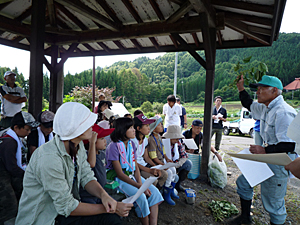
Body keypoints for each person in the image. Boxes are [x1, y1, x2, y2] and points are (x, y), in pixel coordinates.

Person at [16, 102, 132, 225]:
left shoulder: (78, 145)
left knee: (111, 220)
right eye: (88, 124)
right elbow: (67, 206)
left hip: (63, 215)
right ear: (76, 128)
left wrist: (104, 196)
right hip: (44, 218)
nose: (92, 127)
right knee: (109, 218)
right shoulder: (49, 158)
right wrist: (110, 208)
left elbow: (87, 177)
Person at [233, 75, 297, 225]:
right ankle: (245, 219)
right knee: (243, 183)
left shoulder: (284, 112)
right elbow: (249, 104)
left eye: (262, 88)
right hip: (266, 157)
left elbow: (290, 145)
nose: (258, 92)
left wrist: (264, 150)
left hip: (279, 161)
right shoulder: (266, 107)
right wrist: (241, 89)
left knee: (273, 203)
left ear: (274, 90)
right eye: (257, 89)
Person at [106, 117, 163, 225]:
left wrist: (141, 184)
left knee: (154, 192)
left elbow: (135, 166)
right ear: (122, 130)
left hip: (131, 175)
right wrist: (140, 187)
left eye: (133, 127)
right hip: (118, 179)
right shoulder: (114, 146)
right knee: (140, 197)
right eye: (130, 128)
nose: (134, 130)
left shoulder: (131, 144)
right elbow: (120, 174)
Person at [0, 111, 38, 224]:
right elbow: (12, 167)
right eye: (27, 129)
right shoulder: (9, 142)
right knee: (10, 207)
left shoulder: (11, 137)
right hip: (2, 178)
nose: (29, 132)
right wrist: (29, 175)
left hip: (6, 175)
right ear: (16, 127)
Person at [147, 116, 179, 206]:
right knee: (168, 172)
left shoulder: (159, 136)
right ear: (154, 129)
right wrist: (162, 165)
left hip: (162, 161)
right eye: (159, 125)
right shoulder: (152, 139)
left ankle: (170, 190)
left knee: (173, 170)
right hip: (157, 162)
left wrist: (167, 158)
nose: (162, 126)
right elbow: (153, 156)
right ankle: (166, 193)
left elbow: (163, 150)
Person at [80, 124, 115, 204]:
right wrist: (92, 143)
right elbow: (91, 164)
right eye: (102, 138)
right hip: (88, 195)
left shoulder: (102, 154)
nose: (105, 141)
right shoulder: (86, 155)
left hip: (100, 191)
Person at [132, 114, 168, 189]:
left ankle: (158, 192)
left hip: (144, 165)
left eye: (148, 125)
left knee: (164, 174)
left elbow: (146, 157)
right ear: (138, 128)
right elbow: (134, 162)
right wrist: (149, 170)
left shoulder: (145, 140)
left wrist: (154, 166)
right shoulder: (133, 142)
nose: (149, 128)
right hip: (137, 168)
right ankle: (150, 195)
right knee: (153, 180)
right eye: (146, 126)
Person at [162, 125, 192, 192]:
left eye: (178, 138)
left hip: (175, 164)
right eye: (175, 138)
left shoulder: (178, 143)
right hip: (165, 165)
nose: (177, 140)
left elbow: (184, 156)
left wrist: (178, 164)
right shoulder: (163, 143)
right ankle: (166, 189)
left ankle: (178, 185)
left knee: (188, 164)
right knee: (175, 177)